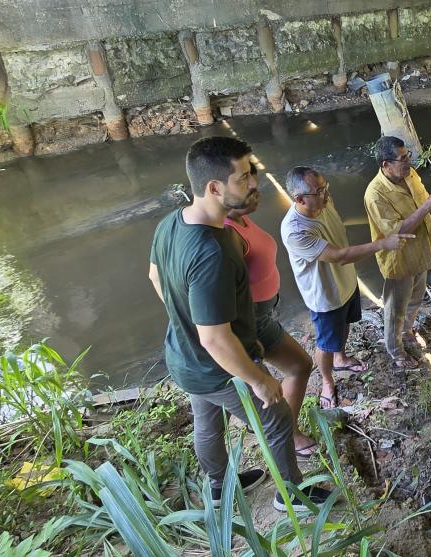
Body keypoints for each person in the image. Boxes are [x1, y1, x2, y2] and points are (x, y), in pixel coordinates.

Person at [147, 136, 331, 512]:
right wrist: (259, 379)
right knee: (277, 418)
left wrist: (187, 318)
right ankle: (290, 496)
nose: (253, 184)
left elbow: (154, 276)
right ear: (214, 188)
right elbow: (215, 339)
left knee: (207, 420)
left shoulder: (171, 223)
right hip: (215, 366)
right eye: (244, 178)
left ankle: (219, 487)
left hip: (183, 357)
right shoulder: (211, 251)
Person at [280, 166, 410, 409]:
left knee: (346, 323)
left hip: (346, 282)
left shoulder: (324, 201)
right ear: (299, 199)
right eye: (319, 191)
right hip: (325, 296)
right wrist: (382, 243)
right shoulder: (295, 230)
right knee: (325, 342)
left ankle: (340, 359)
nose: (327, 193)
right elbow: (339, 255)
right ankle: (327, 381)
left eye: (326, 186)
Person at [222, 178, 321, 459]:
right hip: (249, 323)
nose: (256, 188)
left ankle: (287, 430)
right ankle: (286, 445)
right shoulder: (227, 235)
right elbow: (226, 296)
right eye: (245, 183)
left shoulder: (240, 219)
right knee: (271, 390)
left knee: (300, 365)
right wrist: (248, 345)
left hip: (264, 316)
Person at [363, 136, 431, 369]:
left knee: (416, 298)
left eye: (408, 155)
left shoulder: (408, 174)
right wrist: (426, 207)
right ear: (385, 164)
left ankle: (408, 331)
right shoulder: (375, 194)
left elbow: (423, 211)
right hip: (399, 258)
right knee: (395, 308)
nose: (409, 162)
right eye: (402, 158)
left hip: (420, 250)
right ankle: (395, 350)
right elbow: (397, 233)